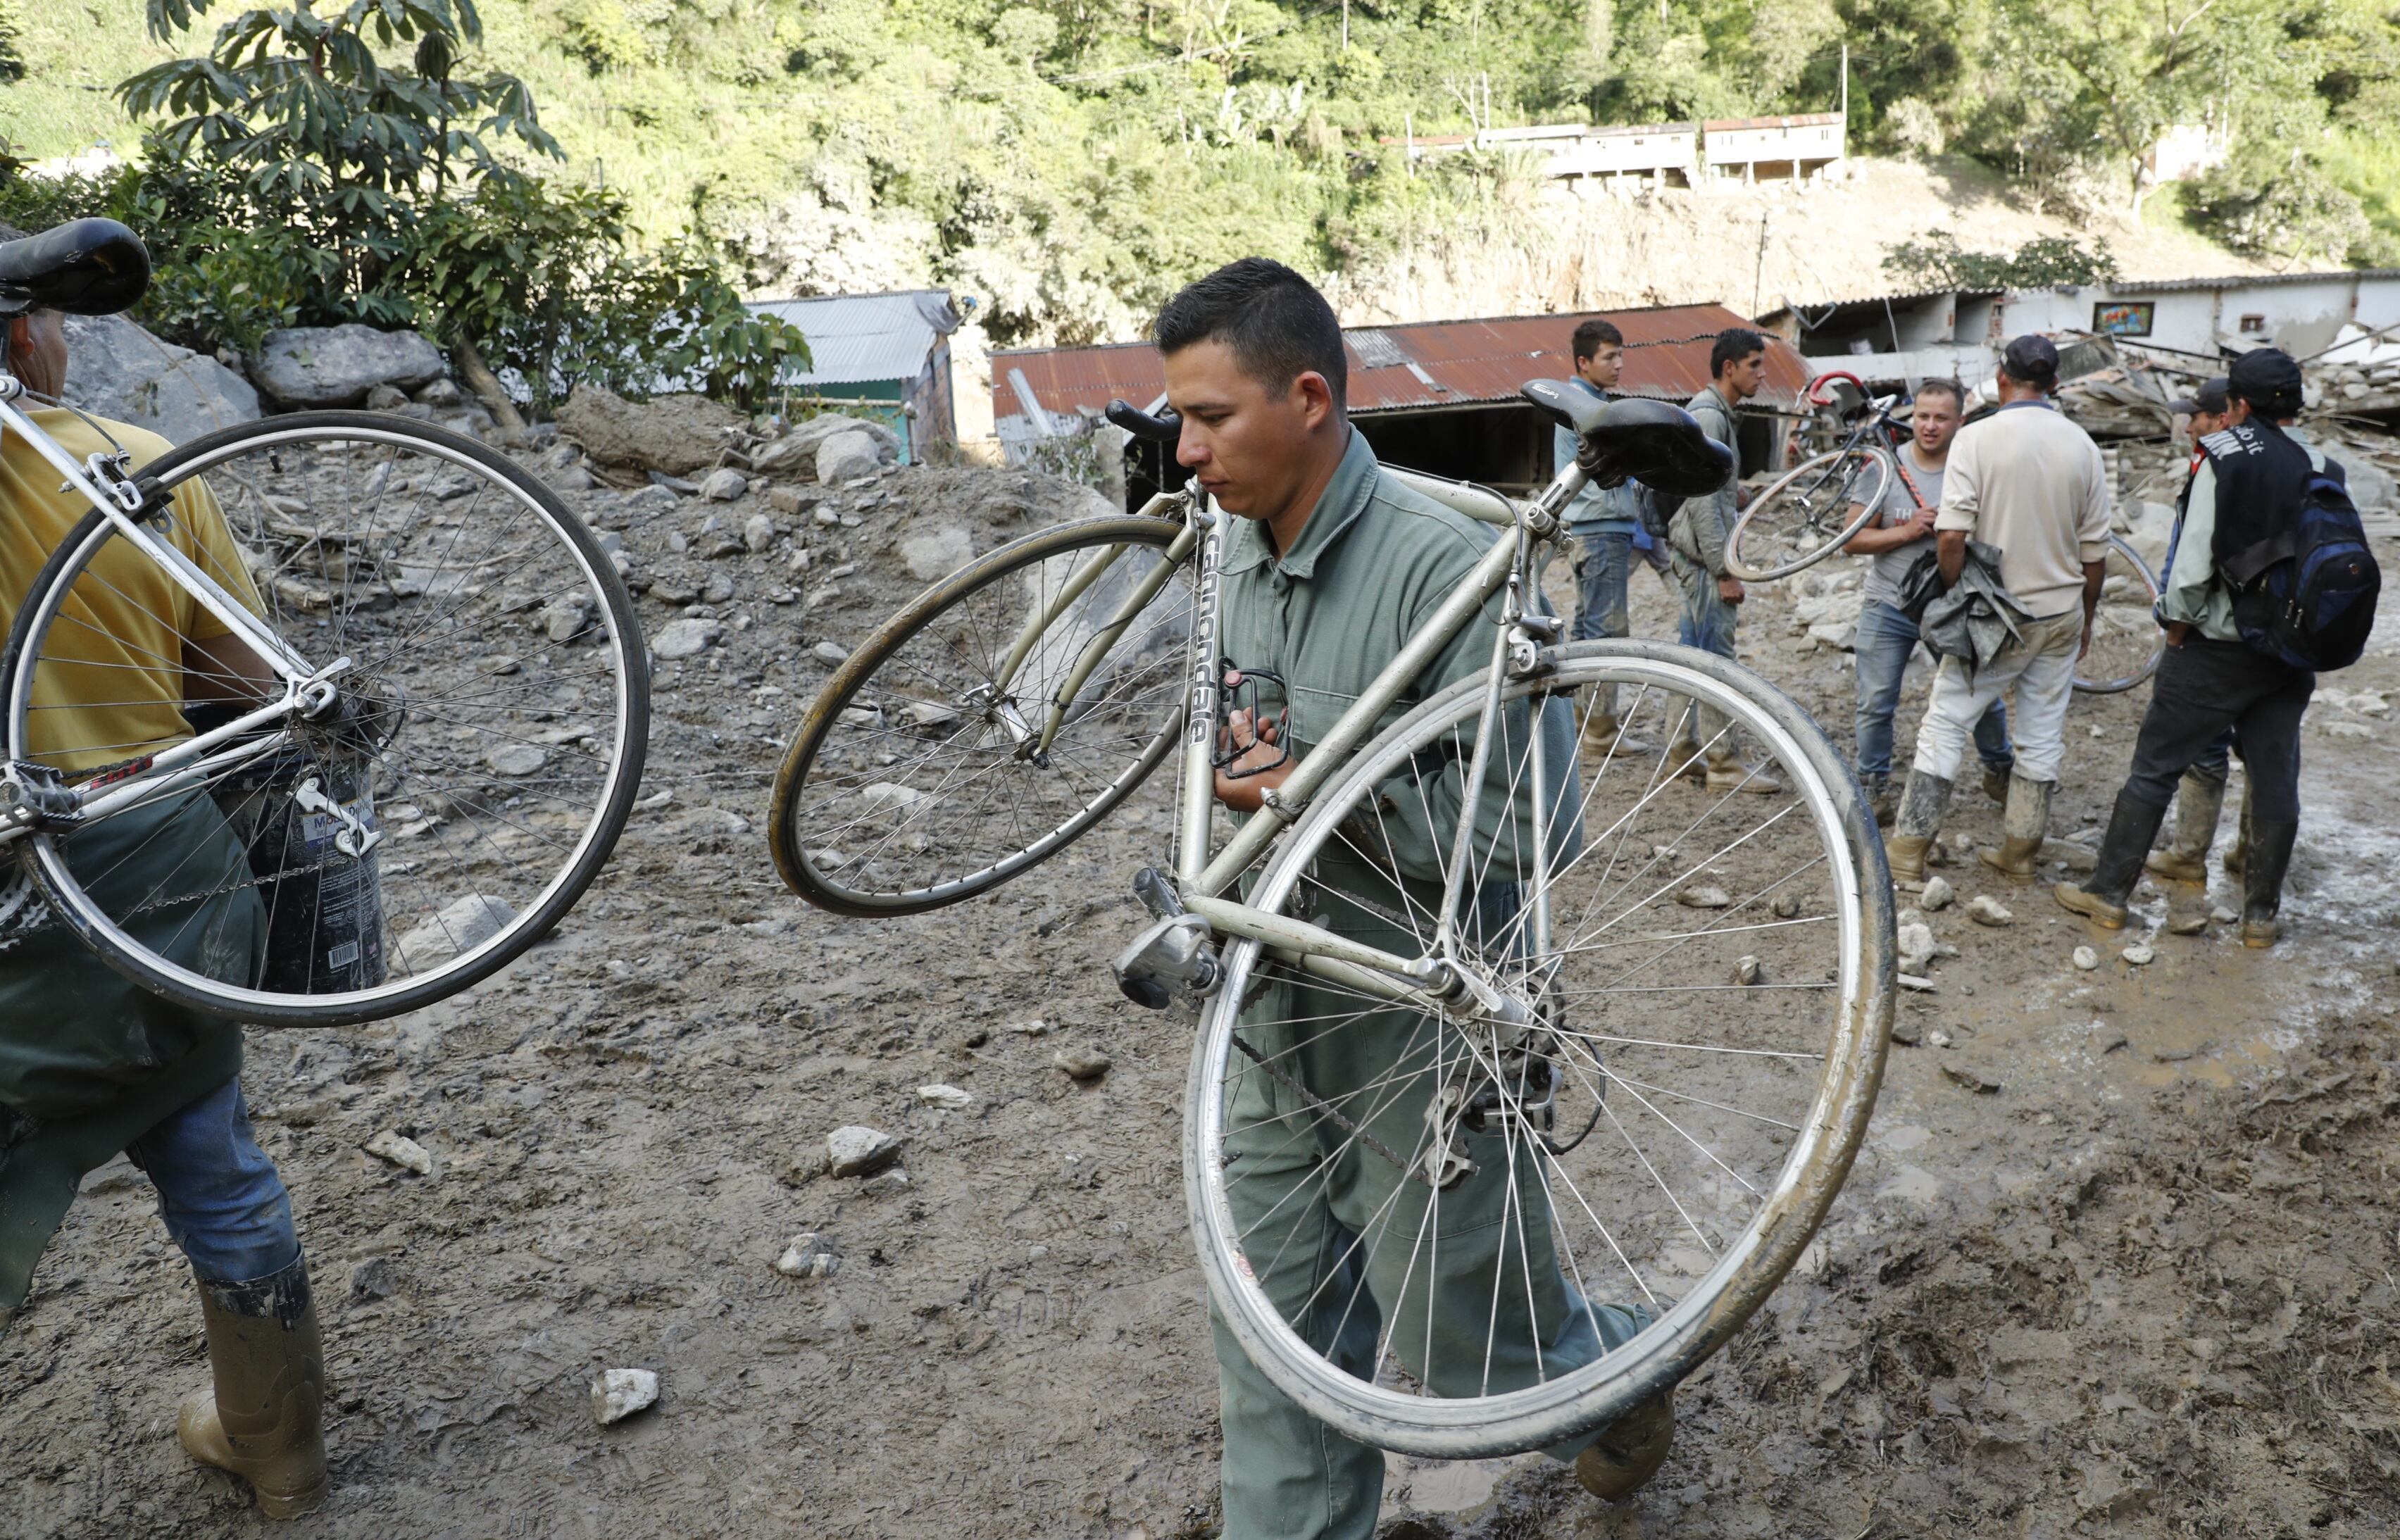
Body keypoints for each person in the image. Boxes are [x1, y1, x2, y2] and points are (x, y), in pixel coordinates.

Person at [1157, 258, 1671, 1538]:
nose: (1184, 451)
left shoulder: (1451, 572)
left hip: (1422, 1036)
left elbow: (1535, 827)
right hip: (1272, 1024)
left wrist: (1318, 796)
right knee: (1276, 1361)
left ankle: (1624, 1378)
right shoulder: (1232, 557)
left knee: (1477, 1358)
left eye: (1209, 419)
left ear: (1310, 398)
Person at [0, 304, 327, 1517]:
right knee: (215, 1161)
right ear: (30, 340)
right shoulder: (140, 469)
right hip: (161, 876)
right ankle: (279, 1448)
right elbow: (244, 691)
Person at [2057, 348, 2323, 946]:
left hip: (2216, 648)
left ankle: (2107, 894)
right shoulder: (2321, 461)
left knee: (2154, 769)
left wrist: (2176, 629)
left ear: (2240, 405)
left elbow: (2194, 560)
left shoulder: (2223, 457)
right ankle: (2260, 917)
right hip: (2290, 652)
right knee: (2276, 777)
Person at [1884, 336, 2109, 883]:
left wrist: (1960, 595)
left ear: (2002, 377)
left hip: (1998, 612)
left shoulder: (1978, 438)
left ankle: (1909, 849)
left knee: (1944, 723)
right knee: (2042, 730)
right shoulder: (2083, 445)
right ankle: (2021, 852)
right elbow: (2095, 555)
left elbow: (1951, 536)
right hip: (2060, 613)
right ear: (2054, 383)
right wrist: (2087, 618)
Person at [1839, 378, 2012, 822]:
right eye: (1922, 416)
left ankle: (2001, 770)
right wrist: (1909, 531)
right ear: (1910, 416)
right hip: (1888, 604)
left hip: (1952, 605)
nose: (1930, 426)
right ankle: (1872, 787)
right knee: (1876, 701)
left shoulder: (1972, 468)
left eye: (1941, 418)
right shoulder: (1884, 467)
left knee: (1982, 694)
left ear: (1960, 421)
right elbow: (1851, 539)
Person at [1667, 329, 1779, 792]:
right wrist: (1723, 569)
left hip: (1690, 555)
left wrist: (1738, 490)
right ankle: (1724, 764)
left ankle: (1682, 752)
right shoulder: (1710, 417)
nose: (1762, 373)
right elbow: (1699, 500)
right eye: (1754, 364)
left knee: (1691, 655)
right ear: (1729, 368)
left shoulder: (1712, 414)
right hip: (1702, 560)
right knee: (1716, 661)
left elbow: (1713, 488)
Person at [2144, 375, 2241, 884]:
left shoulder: (2221, 469)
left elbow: (2193, 562)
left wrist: (2176, 630)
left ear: (2222, 418)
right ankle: (2247, 856)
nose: (2188, 428)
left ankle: (2186, 855)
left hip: (2208, 633)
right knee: (2265, 749)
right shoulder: (2273, 464)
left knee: (2199, 745)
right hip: (2257, 636)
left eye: (2197, 418)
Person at [1556, 317, 1649, 754]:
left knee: (1587, 629)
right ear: (1584, 361)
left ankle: (1580, 721)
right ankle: (1601, 731)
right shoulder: (1588, 408)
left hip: (1583, 530)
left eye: (1621, 355)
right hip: (1601, 528)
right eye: (1609, 357)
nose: (1619, 364)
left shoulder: (1574, 402)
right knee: (1609, 630)